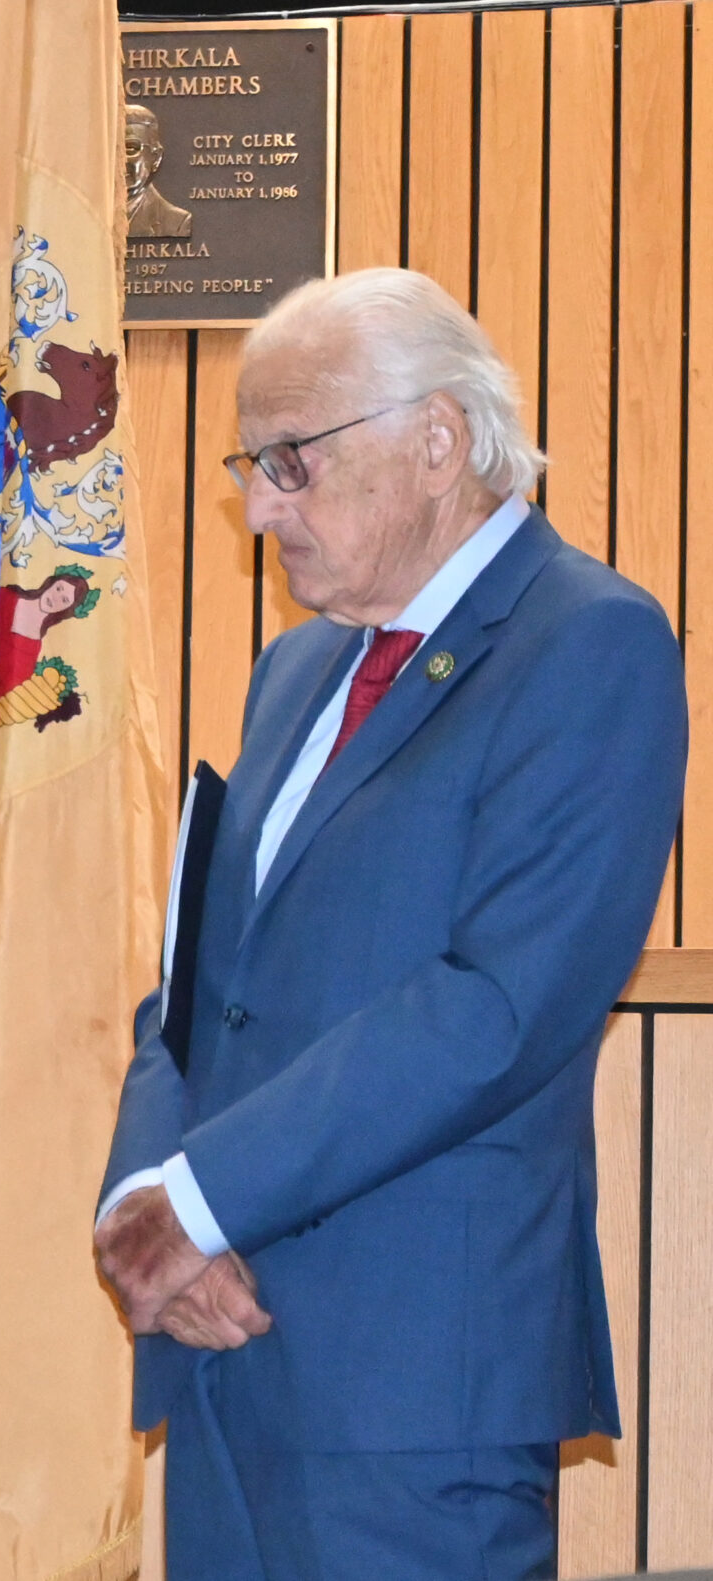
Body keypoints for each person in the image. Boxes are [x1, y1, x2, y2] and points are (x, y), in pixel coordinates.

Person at [93, 267, 684, 1579]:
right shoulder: (297, 669)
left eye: (293, 464)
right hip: (218, 1361)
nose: (258, 509)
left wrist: (198, 1195)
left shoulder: (590, 643)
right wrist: (145, 1198)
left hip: (416, 1402)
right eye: (253, 465)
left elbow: (496, 1007)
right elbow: (201, 984)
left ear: (438, 444)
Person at [124, 103, 194, 240]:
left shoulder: (177, 223)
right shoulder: (81, 217)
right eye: (111, 150)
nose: (120, 159)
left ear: (155, 158)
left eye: (130, 148)